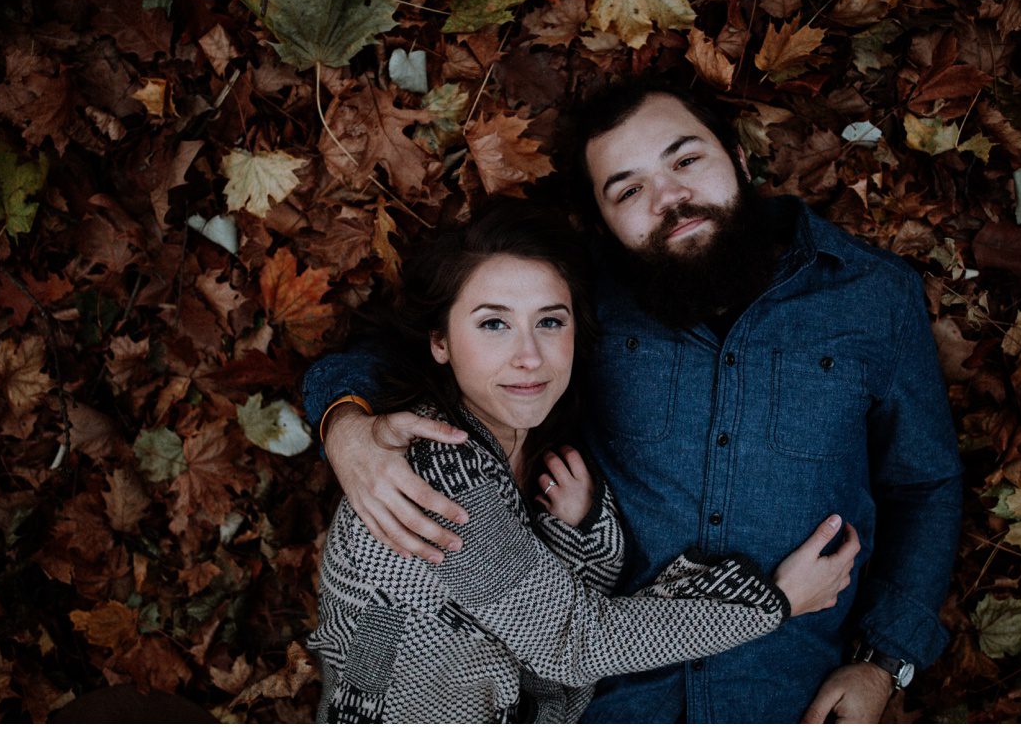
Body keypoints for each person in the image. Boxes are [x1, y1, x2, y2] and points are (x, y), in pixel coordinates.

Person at [303, 80, 964, 723]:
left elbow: (925, 481)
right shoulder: (576, 296)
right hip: (608, 695)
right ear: (603, 222)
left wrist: (884, 660)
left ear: (735, 156)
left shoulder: (873, 296)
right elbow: (417, 346)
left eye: (686, 159)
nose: (670, 197)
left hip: (785, 698)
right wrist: (346, 425)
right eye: (629, 189)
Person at [306, 202, 859, 723]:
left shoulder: (530, 446)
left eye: (549, 321)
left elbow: (536, 632)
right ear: (440, 342)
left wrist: (574, 534)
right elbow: (573, 643)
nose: (529, 355)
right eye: (493, 324)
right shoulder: (442, 467)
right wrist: (777, 602)